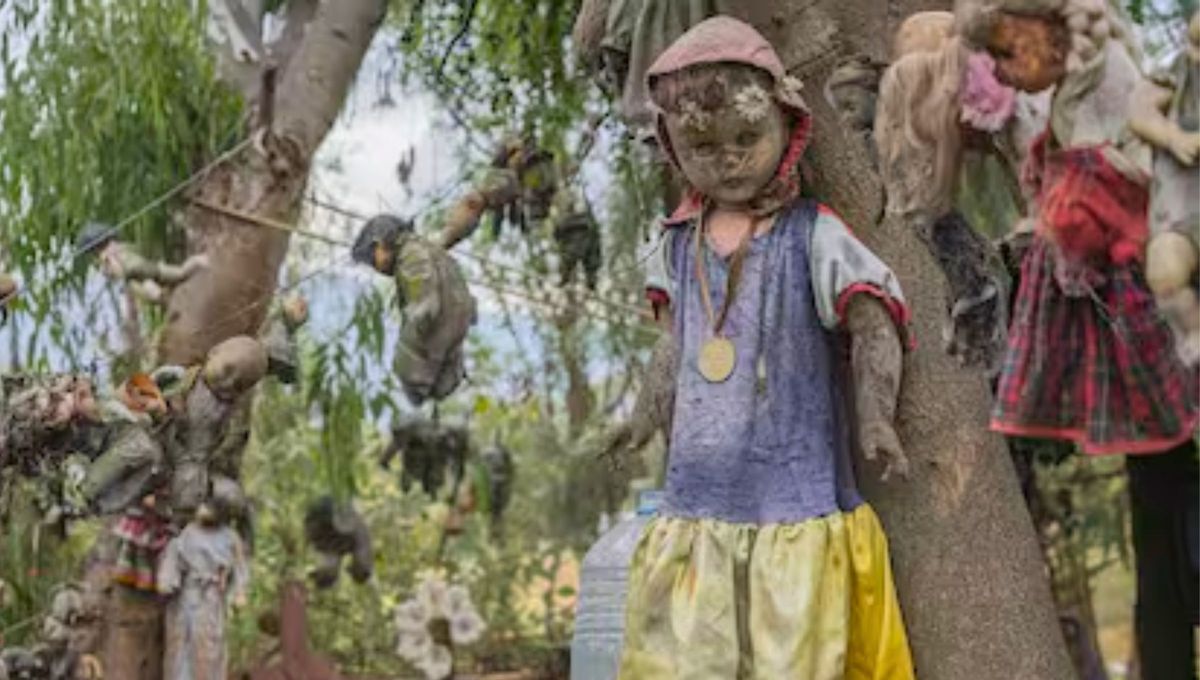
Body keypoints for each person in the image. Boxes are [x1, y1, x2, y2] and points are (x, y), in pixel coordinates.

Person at [619, 17, 914, 678]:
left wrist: (876, 416)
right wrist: (643, 411)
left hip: (793, 495)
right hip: (698, 497)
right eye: (701, 144)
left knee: (793, 658)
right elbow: (673, 344)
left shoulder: (814, 236)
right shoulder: (673, 244)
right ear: (672, 145)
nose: (727, 158)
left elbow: (871, 321)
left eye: (746, 137)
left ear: (788, 127)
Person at [961, 2, 1199, 676]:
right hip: (1115, 313)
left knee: (1169, 477)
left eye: (1010, 52)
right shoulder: (1068, 94)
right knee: (1156, 486)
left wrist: (1069, 209)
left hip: (1145, 304)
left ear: (1051, 31)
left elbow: (1134, 188)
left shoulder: (1114, 81)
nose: (1005, 73)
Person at [351, 214, 476, 405]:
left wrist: (405, 361)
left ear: (380, 245)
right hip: (451, 345)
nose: (376, 269)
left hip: (431, 348)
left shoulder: (412, 256)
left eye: (372, 260)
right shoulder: (435, 252)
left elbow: (424, 310)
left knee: (411, 394)